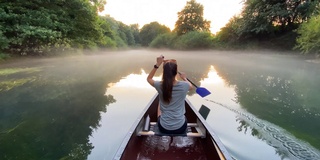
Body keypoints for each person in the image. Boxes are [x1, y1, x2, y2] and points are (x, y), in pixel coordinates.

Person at [147, 55, 193, 134]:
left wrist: (157, 64)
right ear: (176, 73)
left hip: (163, 127)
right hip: (180, 127)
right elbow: (191, 86)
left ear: (164, 73)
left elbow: (149, 79)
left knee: (160, 101)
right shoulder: (185, 85)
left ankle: (160, 121)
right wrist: (184, 78)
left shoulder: (159, 85)